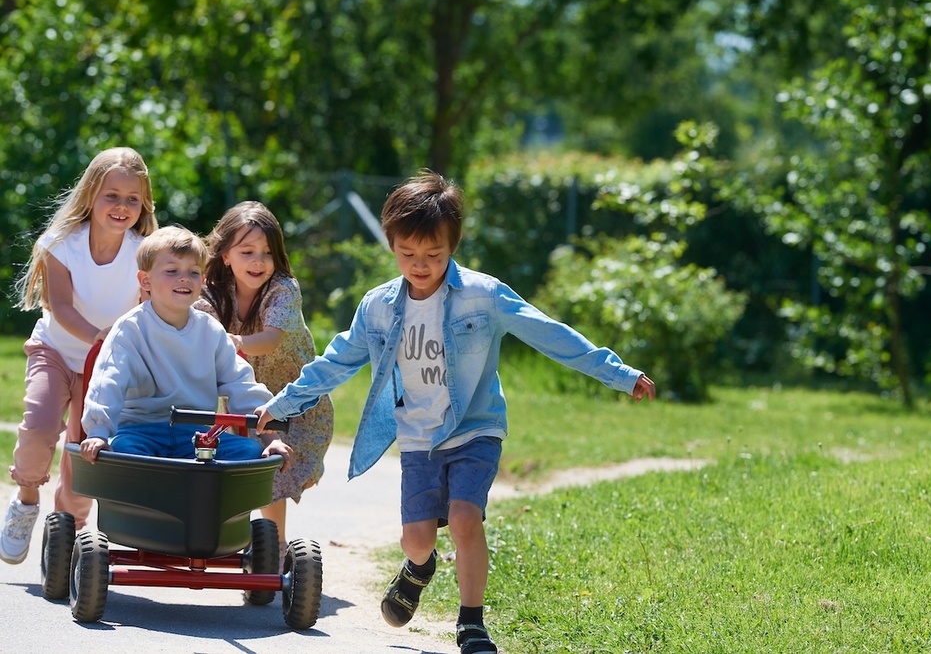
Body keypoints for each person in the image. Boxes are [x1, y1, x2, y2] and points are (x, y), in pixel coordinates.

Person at [255, 170, 656, 654]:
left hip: (474, 428)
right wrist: (282, 403)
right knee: (417, 541)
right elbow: (335, 362)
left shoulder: (483, 296)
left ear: (453, 245)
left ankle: (471, 624)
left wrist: (618, 373)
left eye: (434, 254)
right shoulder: (378, 307)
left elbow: (550, 333)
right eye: (407, 253)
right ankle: (418, 568)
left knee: (466, 517)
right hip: (418, 438)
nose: (420, 265)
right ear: (391, 245)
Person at [2, 147, 158, 566]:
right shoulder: (61, 245)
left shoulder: (145, 252)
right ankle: (26, 500)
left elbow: (150, 308)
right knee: (38, 430)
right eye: (112, 196)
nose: (122, 206)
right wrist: (99, 337)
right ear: (91, 195)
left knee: (86, 451)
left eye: (132, 198)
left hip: (105, 366)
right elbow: (61, 307)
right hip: (56, 351)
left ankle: (67, 533)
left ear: (144, 203)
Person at [78, 226, 292, 468]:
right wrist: (98, 432)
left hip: (196, 434)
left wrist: (271, 438)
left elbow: (242, 385)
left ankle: (203, 494)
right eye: (172, 271)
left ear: (202, 281)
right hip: (140, 431)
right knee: (123, 451)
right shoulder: (129, 330)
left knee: (250, 451)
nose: (184, 278)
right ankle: (147, 492)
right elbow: (107, 384)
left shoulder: (210, 331)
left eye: (193, 272)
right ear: (145, 280)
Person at [195, 201, 333, 563]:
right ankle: (253, 544)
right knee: (244, 472)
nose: (259, 261)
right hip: (244, 398)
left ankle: (275, 547)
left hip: (293, 400)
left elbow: (270, 339)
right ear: (225, 255)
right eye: (247, 252)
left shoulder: (282, 288)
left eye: (267, 253)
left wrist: (234, 341)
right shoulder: (210, 293)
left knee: (275, 471)